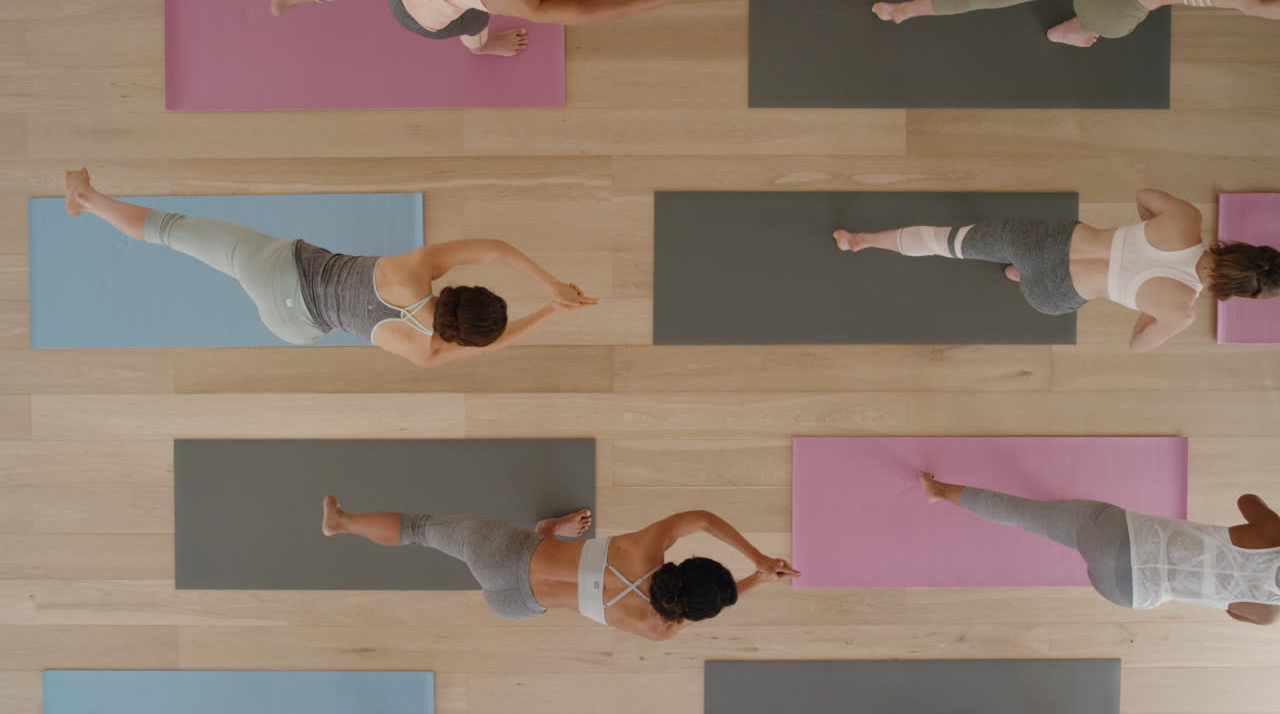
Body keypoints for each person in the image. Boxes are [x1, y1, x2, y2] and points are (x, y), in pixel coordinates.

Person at [62, 168, 597, 367]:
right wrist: (547, 315)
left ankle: (85, 195)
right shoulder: (425, 352)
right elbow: (493, 344)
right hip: (294, 328)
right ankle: (85, 198)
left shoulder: (414, 271)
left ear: (462, 290)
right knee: (202, 252)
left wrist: (549, 284)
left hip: (280, 271)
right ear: (463, 336)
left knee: (173, 230)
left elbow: (497, 247)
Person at [833, 188, 1280, 352]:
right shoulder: (1181, 310)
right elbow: (1139, 344)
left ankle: (864, 240)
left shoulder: (1185, 219)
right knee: (1026, 280)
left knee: (948, 241)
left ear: (1240, 247)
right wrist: (1149, 309)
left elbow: (1146, 195)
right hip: (1050, 292)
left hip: (1050, 240)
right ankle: (1017, 275)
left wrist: (1142, 232)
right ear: (1234, 291)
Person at [320, 496, 800, 639]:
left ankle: (338, 523)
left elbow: (704, 518)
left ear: (686, 564)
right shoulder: (656, 629)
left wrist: (758, 559)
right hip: (513, 605)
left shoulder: (646, 546)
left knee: (419, 526)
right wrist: (754, 582)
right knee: (556, 580)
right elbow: (695, 612)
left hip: (502, 552)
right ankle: (547, 532)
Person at [918, 472, 1280, 624]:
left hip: (1124, 538)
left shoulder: (1275, 533)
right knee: (1069, 530)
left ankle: (940, 491)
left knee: (1031, 517)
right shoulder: (1268, 615)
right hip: (1129, 593)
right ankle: (1071, 527)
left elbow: (1247, 500)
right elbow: (1232, 612)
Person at [271, 0, 690, 57]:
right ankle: (482, 48)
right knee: (476, 23)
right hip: (424, 18)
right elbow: (594, 12)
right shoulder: (516, 0)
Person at [871, 0, 1279, 48]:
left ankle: (903, 10)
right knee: (1097, 25)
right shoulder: (1255, 0)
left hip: (1117, 6)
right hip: (1115, 11)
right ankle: (1069, 31)